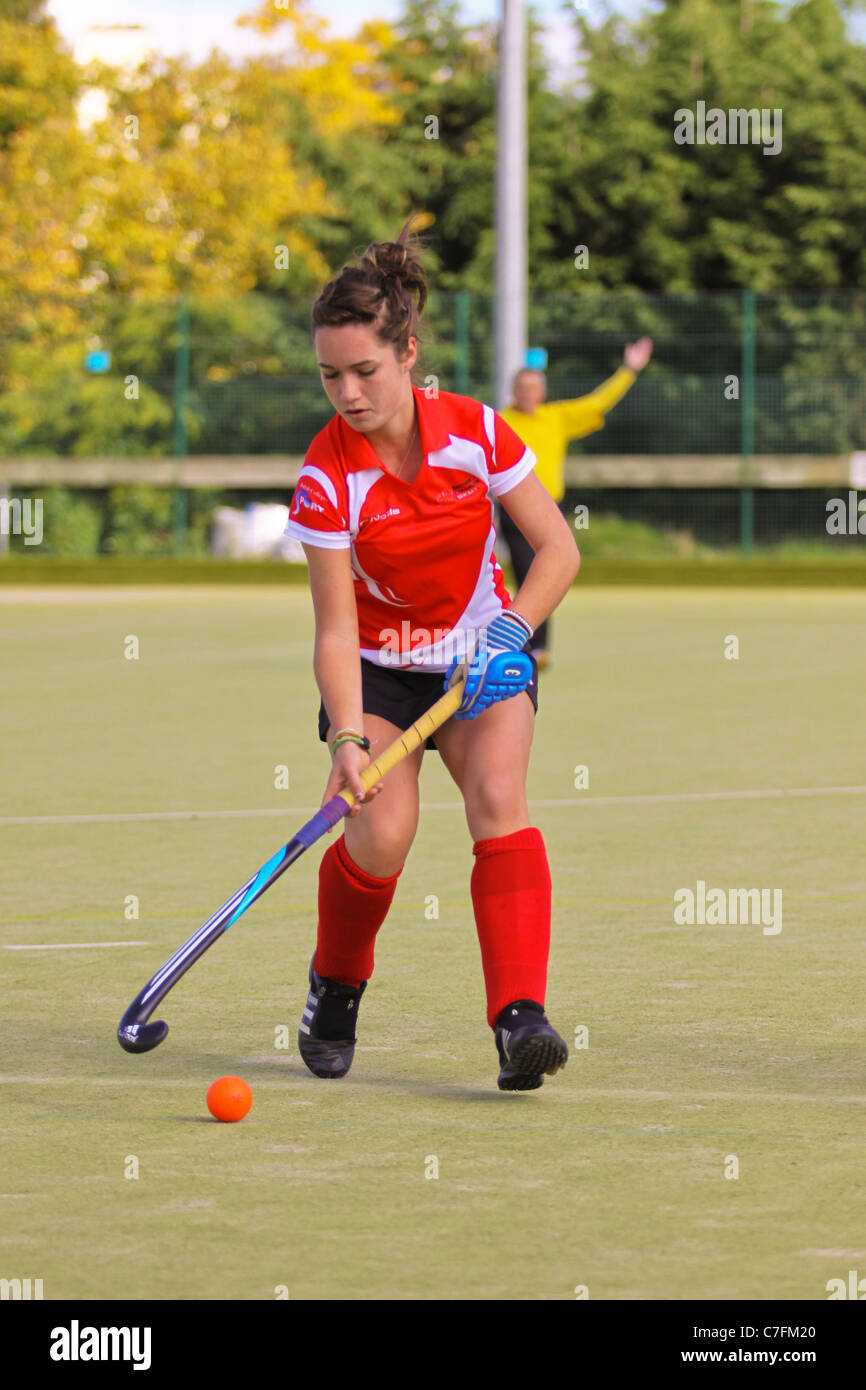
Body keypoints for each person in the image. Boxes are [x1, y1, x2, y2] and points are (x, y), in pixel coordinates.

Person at [285, 213, 580, 1091]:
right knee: (381, 831)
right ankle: (335, 986)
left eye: (364, 370)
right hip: (378, 668)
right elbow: (335, 629)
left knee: (497, 795)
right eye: (331, 374)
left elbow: (557, 551)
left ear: (408, 352)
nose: (347, 392)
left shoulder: (479, 434)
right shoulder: (326, 474)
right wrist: (345, 740)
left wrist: (510, 632)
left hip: (478, 657)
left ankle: (518, 1021)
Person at [498, 337, 653, 668]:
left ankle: (537, 649)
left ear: (542, 391)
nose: (527, 393)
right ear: (513, 391)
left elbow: (598, 402)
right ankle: (525, 644)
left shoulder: (558, 417)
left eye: (533, 387)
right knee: (527, 575)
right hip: (512, 511)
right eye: (521, 387)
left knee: (544, 572)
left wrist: (629, 370)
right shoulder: (500, 421)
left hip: (550, 509)